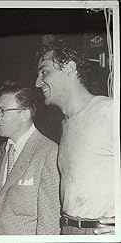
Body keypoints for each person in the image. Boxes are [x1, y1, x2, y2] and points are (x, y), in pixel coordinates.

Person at [35, 40, 115, 235]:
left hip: (98, 232)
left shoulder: (108, 110)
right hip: (69, 229)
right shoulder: (66, 125)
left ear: (70, 68)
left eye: (44, 72)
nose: (37, 83)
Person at [0, 82, 61, 235]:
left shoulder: (48, 152)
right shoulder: (1, 150)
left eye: (2, 111)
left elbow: (49, 222)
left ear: (25, 114)